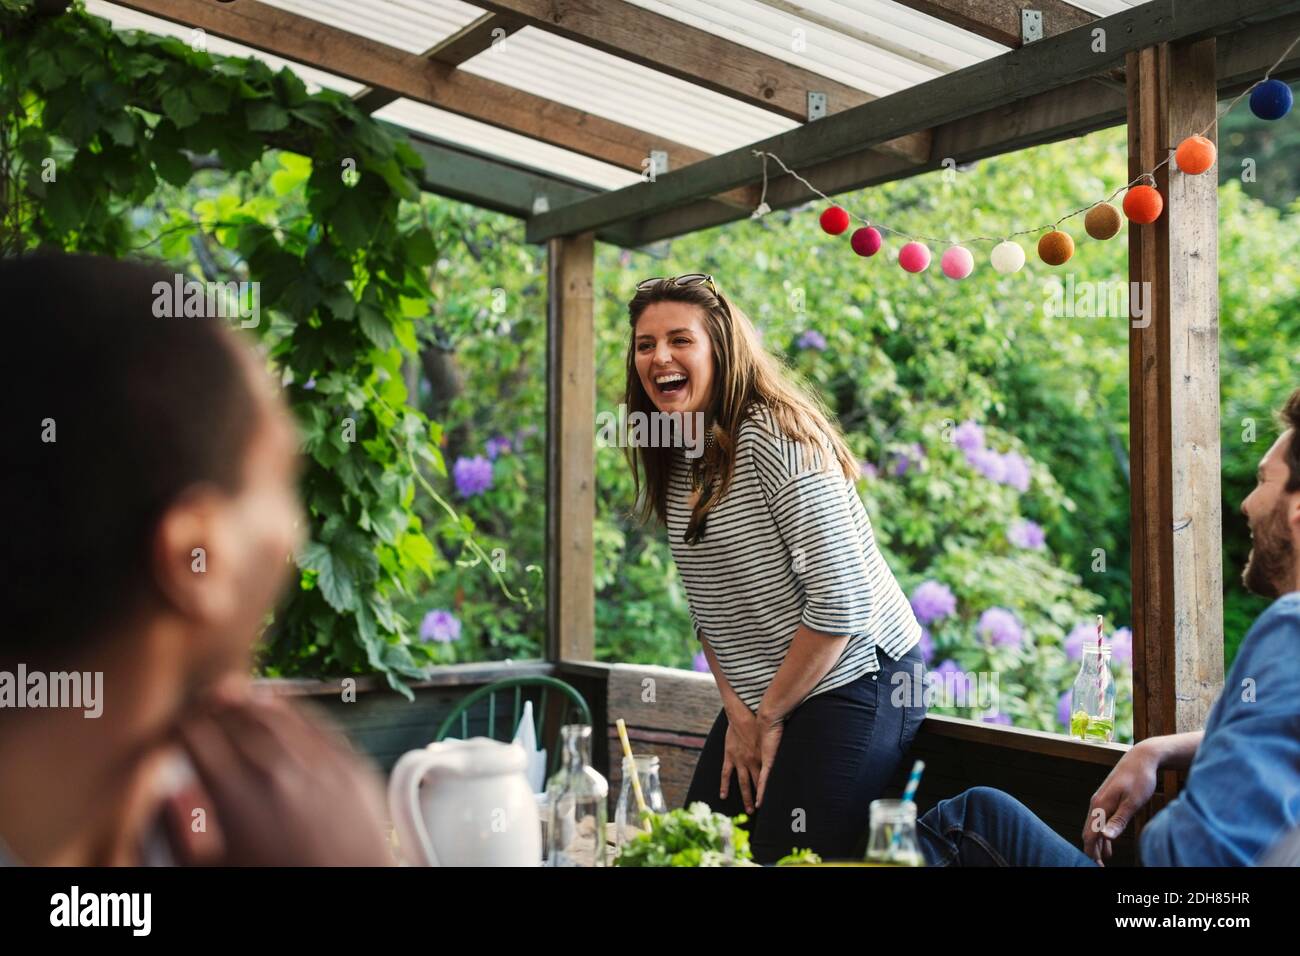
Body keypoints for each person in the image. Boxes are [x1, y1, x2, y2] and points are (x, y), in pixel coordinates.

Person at [0, 253, 392, 866]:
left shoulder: (197, 826)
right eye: (281, 481)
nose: (295, 535)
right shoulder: (288, 839)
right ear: (194, 556)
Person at [917, 387, 1300, 866]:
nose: (1246, 503)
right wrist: (1157, 749)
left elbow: (1194, 857)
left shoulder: (1291, 626)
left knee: (964, 823)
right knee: (979, 813)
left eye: (1264, 480)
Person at [623, 274, 925, 863]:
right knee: (698, 848)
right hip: (766, 697)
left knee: (781, 854)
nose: (659, 357)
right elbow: (706, 611)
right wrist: (740, 716)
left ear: (721, 349)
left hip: (858, 673)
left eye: (680, 340)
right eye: (644, 344)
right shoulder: (676, 453)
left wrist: (767, 715)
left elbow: (842, 604)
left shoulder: (775, 435)